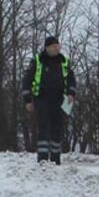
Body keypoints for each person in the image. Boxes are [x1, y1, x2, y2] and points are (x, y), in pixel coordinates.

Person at [21, 36, 77, 165]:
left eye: (58, 45)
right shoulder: (38, 60)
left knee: (57, 129)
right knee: (44, 128)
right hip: (42, 98)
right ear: (47, 47)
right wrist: (28, 100)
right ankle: (43, 159)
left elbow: (71, 79)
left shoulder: (63, 61)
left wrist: (71, 93)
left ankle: (56, 159)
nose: (56, 48)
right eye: (54, 46)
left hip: (59, 99)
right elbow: (27, 81)